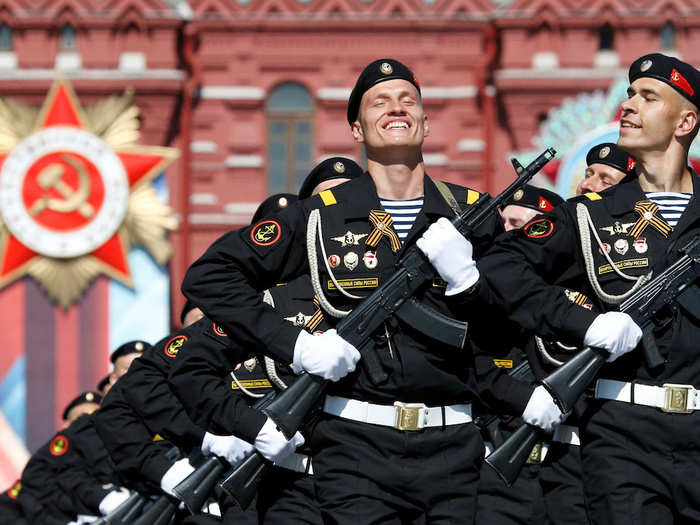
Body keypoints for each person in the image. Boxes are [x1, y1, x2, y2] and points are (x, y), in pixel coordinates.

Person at [182, 58, 561, 524]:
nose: (396, 109)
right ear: (357, 130)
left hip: (454, 448)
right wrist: (297, 345)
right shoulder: (321, 216)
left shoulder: (471, 214)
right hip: (355, 448)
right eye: (379, 102)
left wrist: (470, 283)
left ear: (424, 121)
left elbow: (516, 322)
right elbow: (209, 276)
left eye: (408, 101)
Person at [461, 53, 700, 524]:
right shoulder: (588, 215)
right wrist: (586, 324)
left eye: (648, 97)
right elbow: (501, 265)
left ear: (686, 120)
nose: (628, 106)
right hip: (623, 437)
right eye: (629, 94)